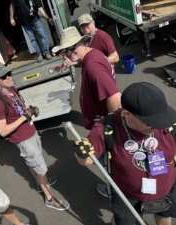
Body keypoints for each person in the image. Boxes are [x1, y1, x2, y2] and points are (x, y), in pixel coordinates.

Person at [74, 82, 176, 225]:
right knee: (123, 221)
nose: (159, 124)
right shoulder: (106, 127)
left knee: (164, 216)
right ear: (128, 114)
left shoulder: (168, 120)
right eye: (151, 122)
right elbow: (85, 161)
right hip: (127, 196)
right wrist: (81, 153)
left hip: (166, 188)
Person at [53, 26, 122, 198]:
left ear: (83, 41)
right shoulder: (92, 55)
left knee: (106, 160)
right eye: (64, 51)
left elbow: (114, 97)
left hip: (106, 124)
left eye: (72, 47)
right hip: (103, 119)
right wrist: (75, 61)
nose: (68, 53)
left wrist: (116, 130)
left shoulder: (92, 65)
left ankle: (115, 190)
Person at [0, 66, 69, 211]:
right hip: (23, 139)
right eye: (4, 76)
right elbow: (2, 131)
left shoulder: (12, 90)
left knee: (35, 164)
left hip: (31, 131)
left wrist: (31, 110)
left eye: (9, 74)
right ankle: (49, 198)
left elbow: (20, 109)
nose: (8, 77)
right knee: (42, 169)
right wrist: (24, 117)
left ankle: (41, 184)